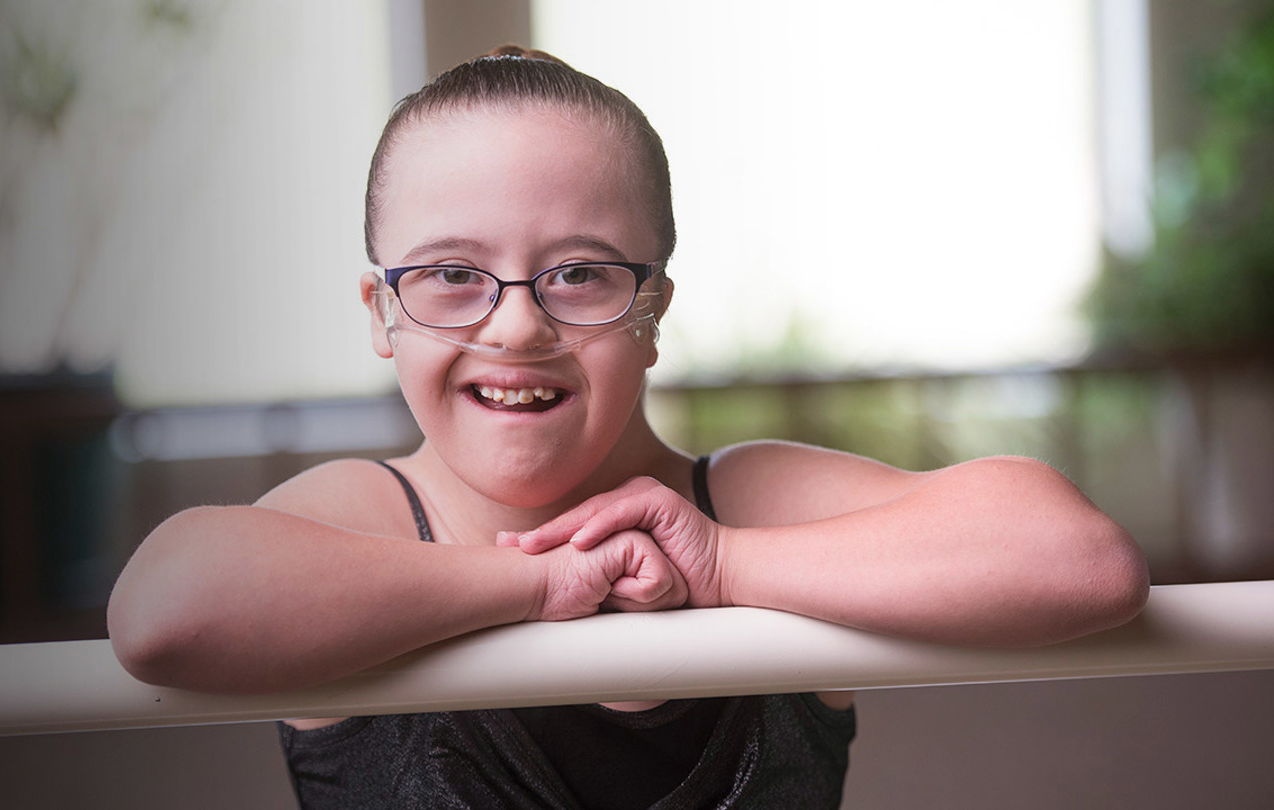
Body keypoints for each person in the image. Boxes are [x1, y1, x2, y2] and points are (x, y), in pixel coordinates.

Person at [107, 45, 1150, 808]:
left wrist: (728, 564)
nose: (517, 326)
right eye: (453, 277)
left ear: (652, 309)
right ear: (382, 313)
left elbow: (1082, 562)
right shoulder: (366, 517)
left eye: (579, 274)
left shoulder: (738, 505)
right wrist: (540, 584)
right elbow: (164, 611)